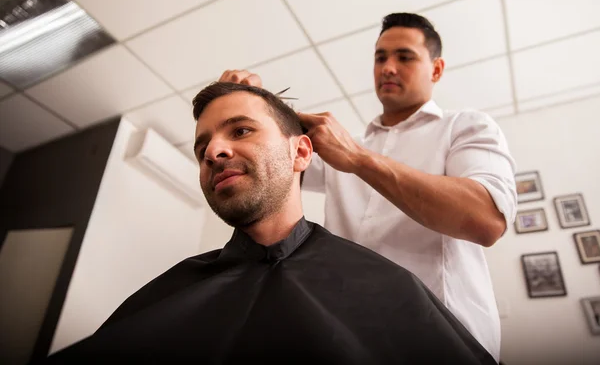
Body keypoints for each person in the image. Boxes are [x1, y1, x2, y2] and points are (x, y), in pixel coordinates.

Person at [44, 82, 495, 364]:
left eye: (240, 131)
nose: (214, 152)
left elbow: (486, 218)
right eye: (203, 148)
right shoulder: (169, 294)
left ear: (301, 153)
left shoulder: (388, 290)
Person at [218, 12, 517, 361]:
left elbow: (485, 219)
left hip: (444, 344)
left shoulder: (465, 127)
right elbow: (270, 165)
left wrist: (358, 159)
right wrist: (250, 108)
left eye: (404, 57)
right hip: (346, 343)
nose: (387, 67)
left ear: (436, 69)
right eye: (380, 57)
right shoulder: (335, 148)